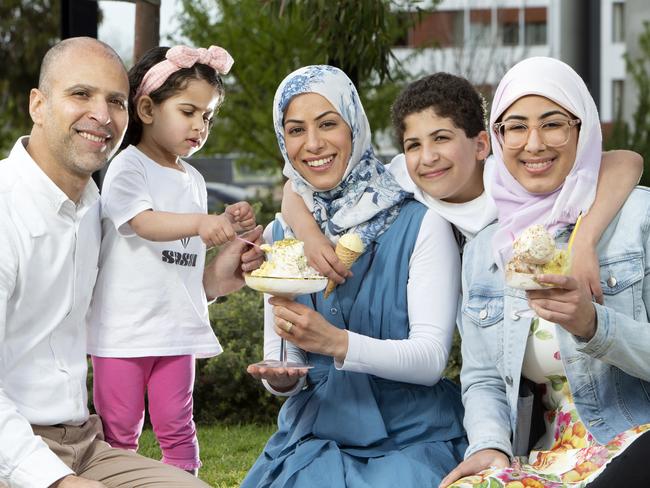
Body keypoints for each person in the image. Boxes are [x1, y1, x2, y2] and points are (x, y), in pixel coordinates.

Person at [0, 37, 262, 488]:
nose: (101, 115)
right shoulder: (9, 208)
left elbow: (144, 280)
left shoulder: (92, 207)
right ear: (38, 105)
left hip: (83, 443)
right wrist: (55, 480)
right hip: (17, 448)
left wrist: (216, 279)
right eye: (81, 94)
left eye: (114, 100)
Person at [243, 65, 468, 487]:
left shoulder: (421, 224)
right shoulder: (282, 234)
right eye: (295, 130)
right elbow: (284, 357)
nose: (313, 144)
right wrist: (280, 378)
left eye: (328, 124)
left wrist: (335, 343)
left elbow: (430, 361)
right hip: (315, 436)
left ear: (355, 128)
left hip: (412, 436)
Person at [440, 57, 650, 488]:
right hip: (552, 455)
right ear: (497, 138)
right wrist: (489, 447)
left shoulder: (639, 219)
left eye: (553, 124)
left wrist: (594, 326)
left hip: (636, 436)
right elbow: (481, 378)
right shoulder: (485, 251)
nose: (533, 143)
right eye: (515, 127)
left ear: (582, 129)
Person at [283, 72, 642, 303]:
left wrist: (584, 243)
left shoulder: (509, 174)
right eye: (414, 145)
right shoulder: (403, 178)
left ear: (482, 145)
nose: (428, 157)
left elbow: (626, 161)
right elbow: (293, 189)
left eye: (441, 138)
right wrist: (311, 237)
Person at [86, 45, 256, 475]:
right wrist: (200, 222)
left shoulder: (194, 180)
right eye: (189, 111)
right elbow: (143, 222)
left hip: (176, 330)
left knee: (178, 426)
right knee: (119, 432)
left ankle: (185, 481)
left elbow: (187, 259)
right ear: (146, 107)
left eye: (208, 116)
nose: (200, 125)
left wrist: (225, 226)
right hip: (123, 333)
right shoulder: (129, 166)